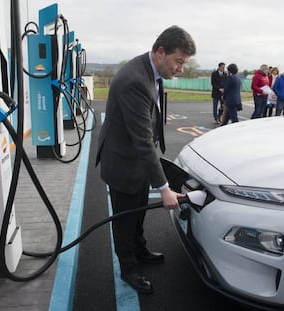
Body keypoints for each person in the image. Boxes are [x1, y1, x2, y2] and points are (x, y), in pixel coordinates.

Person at [96, 25, 195, 294]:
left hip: (138, 160)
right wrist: (164, 189)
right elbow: (141, 140)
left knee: (138, 211)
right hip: (124, 162)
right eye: (178, 62)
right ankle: (129, 269)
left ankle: (140, 251)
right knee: (125, 219)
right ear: (161, 52)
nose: (181, 69)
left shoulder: (151, 71)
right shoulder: (134, 80)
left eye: (184, 63)